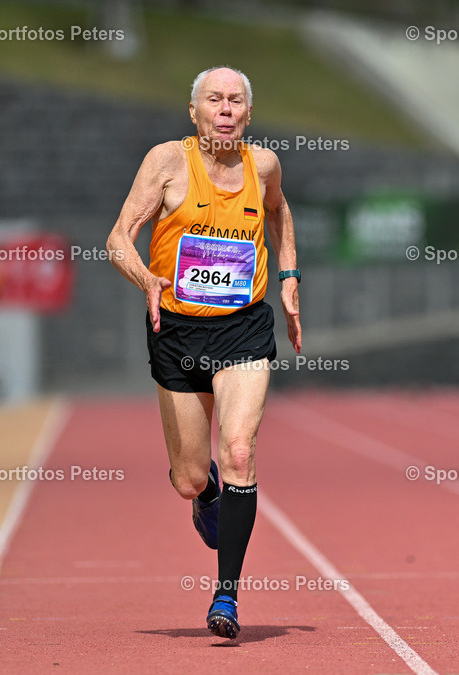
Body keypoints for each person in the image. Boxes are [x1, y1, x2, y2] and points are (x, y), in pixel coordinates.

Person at [107, 66, 302, 639]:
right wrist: (146, 279)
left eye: (235, 100)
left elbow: (278, 211)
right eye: (213, 100)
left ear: (249, 113)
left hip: (243, 328)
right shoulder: (167, 162)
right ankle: (206, 492)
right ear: (193, 112)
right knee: (189, 478)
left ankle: (226, 595)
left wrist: (288, 275)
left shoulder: (263, 166)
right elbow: (118, 239)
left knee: (239, 449)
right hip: (177, 330)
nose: (225, 109)